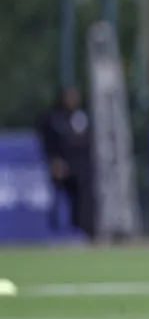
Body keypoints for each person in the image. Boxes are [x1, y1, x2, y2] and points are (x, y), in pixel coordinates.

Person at [39, 86, 95, 238]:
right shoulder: (53, 119)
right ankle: (56, 232)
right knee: (58, 199)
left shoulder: (82, 117)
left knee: (84, 198)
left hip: (81, 167)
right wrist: (55, 161)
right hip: (62, 165)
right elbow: (48, 143)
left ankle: (83, 232)